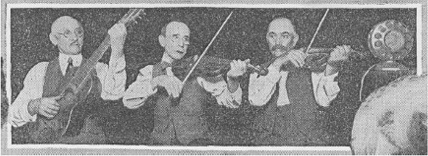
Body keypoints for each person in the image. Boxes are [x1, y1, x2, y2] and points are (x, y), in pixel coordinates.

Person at [122, 21, 247, 145]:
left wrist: (232, 80)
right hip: (160, 147)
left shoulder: (200, 70)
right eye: (175, 37)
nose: (181, 44)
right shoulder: (149, 71)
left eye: (186, 39)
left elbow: (232, 103)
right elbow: (128, 100)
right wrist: (157, 81)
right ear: (162, 40)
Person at [8, 16, 127, 144]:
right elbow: (11, 116)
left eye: (79, 32)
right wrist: (34, 106)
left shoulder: (99, 68)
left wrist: (117, 51)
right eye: (67, 33)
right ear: (54, 39)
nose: (75, 38)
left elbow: (116, 93)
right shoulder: (41, 70)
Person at [247, 17, 352, 145]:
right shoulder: (258, 70)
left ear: (295, 39)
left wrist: (332, 67)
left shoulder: (312, 66)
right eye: (272, 36)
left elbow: (324, 101)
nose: (277, 42)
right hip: (267, 141)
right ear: (266, 38)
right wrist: (277, 63)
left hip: (305, 141)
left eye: (284, 36)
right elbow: (257, 100)